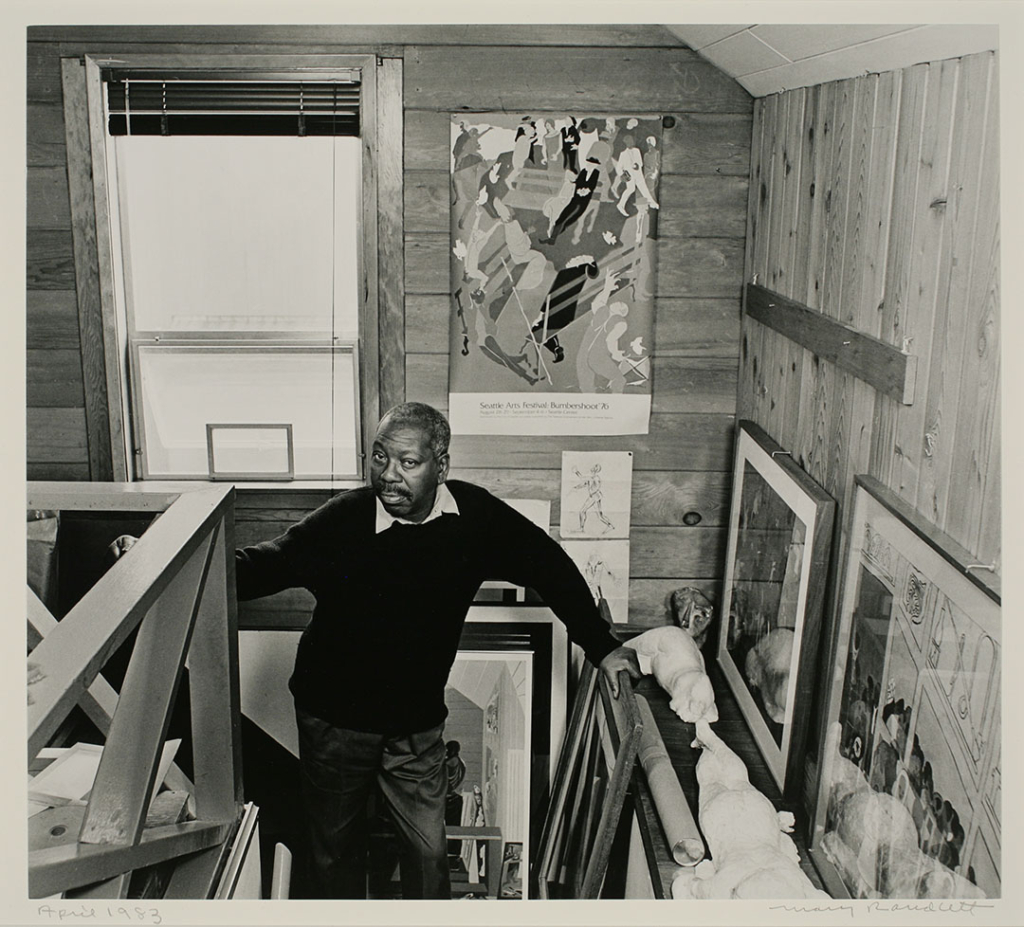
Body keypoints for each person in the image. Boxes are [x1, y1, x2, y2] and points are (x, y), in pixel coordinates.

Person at [235, 402, 641, 900]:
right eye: (380, 457)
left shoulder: (473, 518)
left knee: (429, 856)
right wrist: (174, 562)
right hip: (336, 724)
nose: (388, 476)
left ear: (441, 466)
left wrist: (601, 646)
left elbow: (547, 564)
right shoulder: (343, 520)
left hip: (416, 728)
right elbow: (262, 566)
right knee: (333, 852)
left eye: (408, 463)